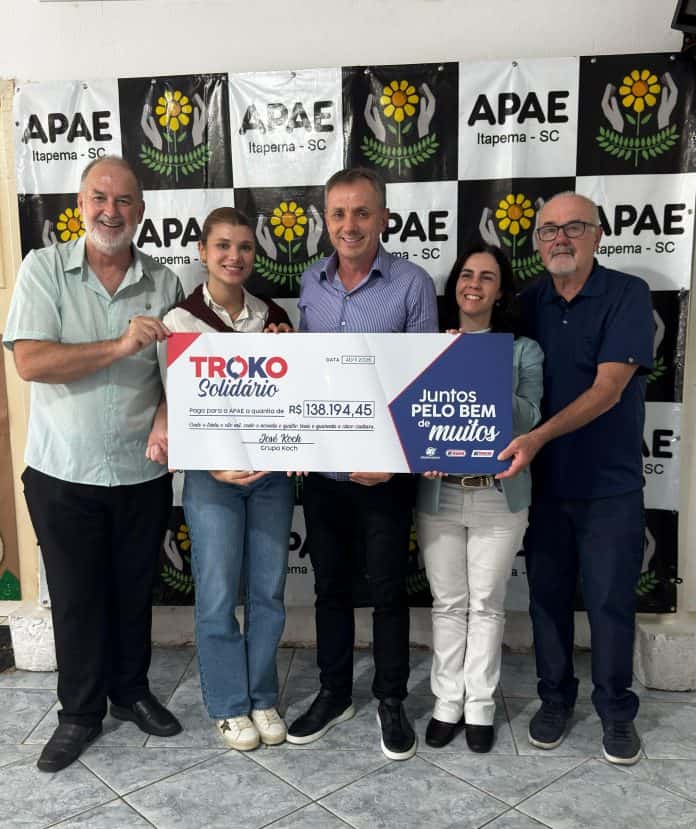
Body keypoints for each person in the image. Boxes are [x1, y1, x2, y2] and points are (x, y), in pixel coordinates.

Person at [3, 156, 183, 772]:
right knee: (77, 599)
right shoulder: (43, 268)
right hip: (62, 472)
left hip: (141, 471)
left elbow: (179, 374)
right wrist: (120, 344)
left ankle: (130, 694)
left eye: (124, 200)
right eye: (99, 198)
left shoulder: (164, 282)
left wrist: (165, 414)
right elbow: (30, 361)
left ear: (141, 211)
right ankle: (79, 714)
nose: (111, 211)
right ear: (80, 205)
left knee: (134, 592)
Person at [286, 167, 438, 761]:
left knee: (388, 591)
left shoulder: (412, 284)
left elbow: (425, 383)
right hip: (324, 473)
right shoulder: (311, 282)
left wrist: (397, 463)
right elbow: (305, 371)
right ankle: (333, 694)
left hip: (383, 476)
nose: (349, 225)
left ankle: (391, 699)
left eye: (362, 212)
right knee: (329, 589)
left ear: (383, 219)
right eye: (338, 213)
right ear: (326, 220)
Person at [498, 192, 654, 765]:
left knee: (610, 602)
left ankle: (616, 711)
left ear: (598, 235)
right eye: (549, 230)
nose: (560, 239)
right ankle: (555, 700)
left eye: (574, 227)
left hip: (610, 483)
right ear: (537, 241)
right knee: (546, 599)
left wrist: (537, 437)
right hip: (542, 485)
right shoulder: (527, 301)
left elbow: (609, 388)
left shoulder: (628, 294)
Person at [160, 207, 295, 751]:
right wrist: (209, 462)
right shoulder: (179, 321)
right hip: (212, 477)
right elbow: (171, 404)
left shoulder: (273, 316)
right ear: (202, 251)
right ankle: (228, 704)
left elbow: (293, 398)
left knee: (268, 593)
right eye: (222, 246)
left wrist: (289, 349)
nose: (234, 256)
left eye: (244, 247)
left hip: (269, 477)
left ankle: (262, 697)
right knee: (217, 595)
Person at [416, 243, 543, 753]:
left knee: (487, 604)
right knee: (448, 603)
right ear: (455, 286)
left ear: (501, 291)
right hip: (440, 494)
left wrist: (475, 368)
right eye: (467, 275)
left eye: (487, 277)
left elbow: (530, 417)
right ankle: (447, 702)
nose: (474, 284)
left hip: (498, 497)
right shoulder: (428, 345)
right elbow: (413, 415)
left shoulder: (523, 350)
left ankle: (481, 706)